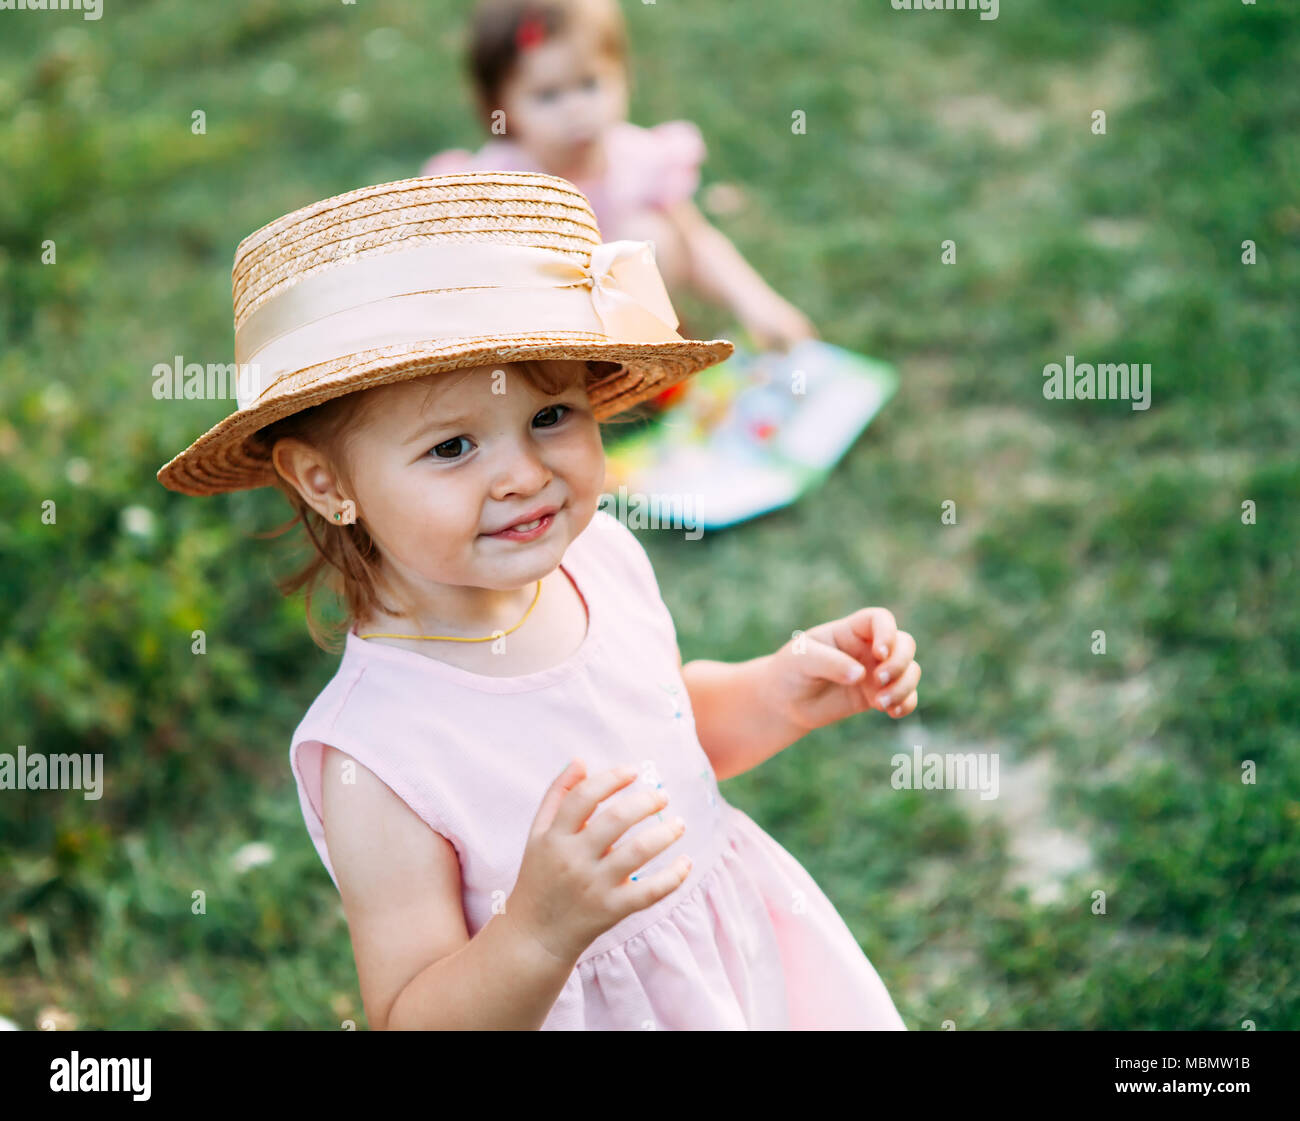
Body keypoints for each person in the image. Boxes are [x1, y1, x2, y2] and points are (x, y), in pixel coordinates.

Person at [156, 171, 917, 1030]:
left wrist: (777, 693)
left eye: (551, 414)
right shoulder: (376, 755)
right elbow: (411, 1015)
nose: (523, 473)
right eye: (451, 446)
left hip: (731, 971)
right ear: (326, 479)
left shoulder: (603, 558)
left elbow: (664, 735)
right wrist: (536, 931)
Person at [421, 0, 818, 384]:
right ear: (500, 105)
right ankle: (577, 376)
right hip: (548, 326)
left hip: (622, 312)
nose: (576, 109)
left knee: (655, 232)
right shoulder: (502, 183)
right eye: (548, 95)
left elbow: (696, 239)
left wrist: (757, 302)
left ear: (622, 74)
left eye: (590, 84)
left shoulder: (636, 157)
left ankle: (639, 353)